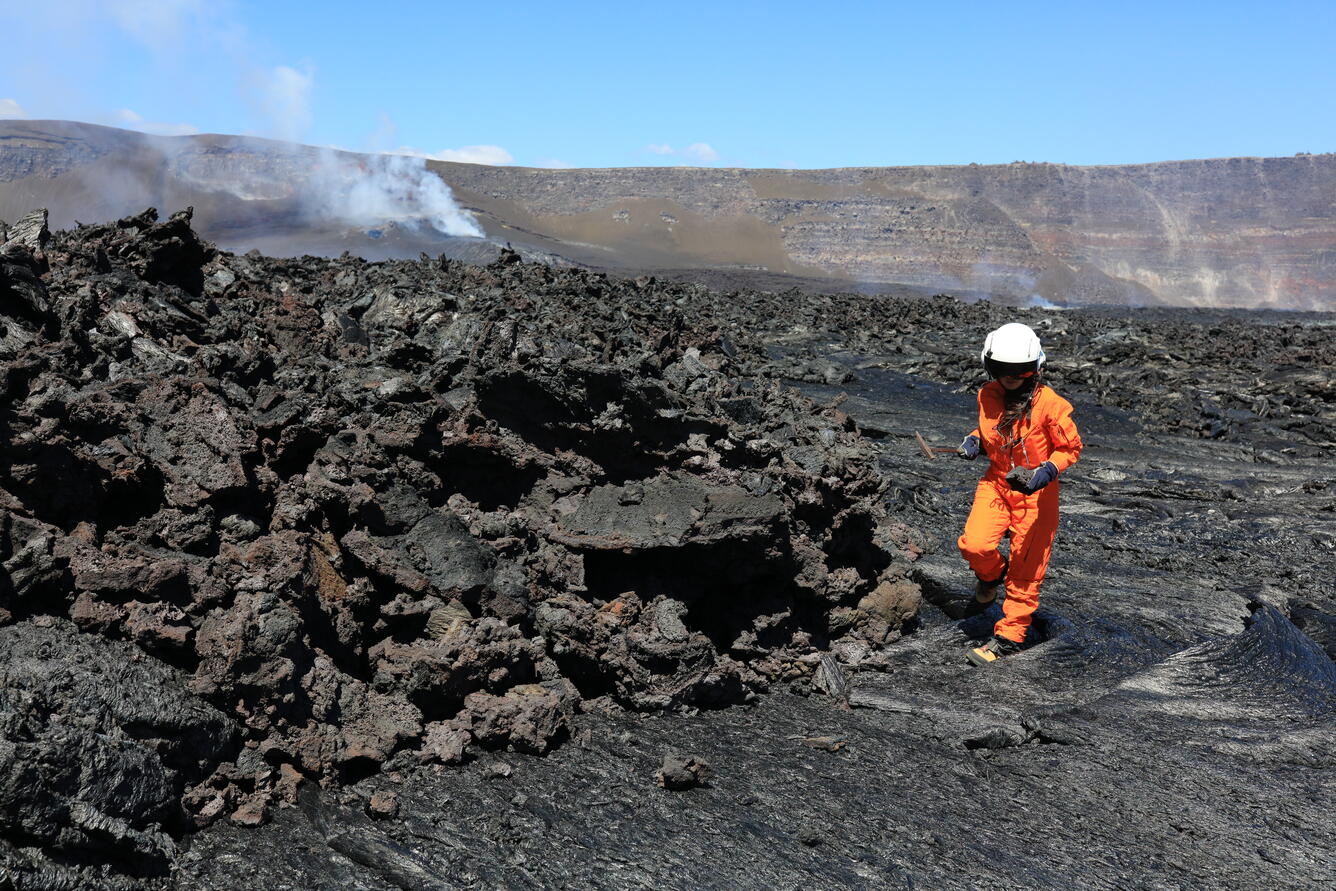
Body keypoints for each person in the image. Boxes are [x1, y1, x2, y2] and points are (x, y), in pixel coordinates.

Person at [956, 322, 1082, 666]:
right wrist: (975, 441)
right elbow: (992, 431)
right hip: (997, 483)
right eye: (1002, 370)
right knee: (974, 544)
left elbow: (1070, 448)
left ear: (1036, 368)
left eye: (1020, 370)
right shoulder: (987, 396)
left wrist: (1047, 471)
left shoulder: (1052, 405)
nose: (1011, 377)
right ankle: (991, 575)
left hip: (1036, 496)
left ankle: (1010, 637)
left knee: (1026, 571)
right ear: (989, 366)